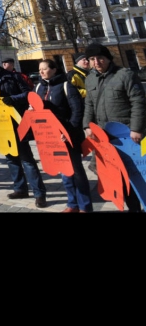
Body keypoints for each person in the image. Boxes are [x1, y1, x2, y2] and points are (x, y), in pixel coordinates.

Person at [83, 43, 146, 212]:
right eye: (92, 59)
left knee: (138, 175)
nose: (97, 62)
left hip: (129, 137)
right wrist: (86, 125)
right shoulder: (90, 78)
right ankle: (134, 208)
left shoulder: (125, 75)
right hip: (105, 139)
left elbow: (138, 102)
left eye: (100, 58)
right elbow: (88, 103)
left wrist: (137, 128)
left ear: (108, 59)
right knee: (119, 177)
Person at [0, 55, 47, 208]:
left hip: (17, 123)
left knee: (27, 160)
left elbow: (27, 93)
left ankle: (39, 193)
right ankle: (20, 188)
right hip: (0, 125)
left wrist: (13, 98)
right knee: (11, 158)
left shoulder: (13, 77)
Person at [34, 58, 92, 213]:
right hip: (51, 138)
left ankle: (85, 206)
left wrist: (69, 131)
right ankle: (72, 204)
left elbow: (77, 110)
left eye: (44, 69)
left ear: (54, 69)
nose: (41, 72)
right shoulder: (39, 87)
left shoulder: (66, 85)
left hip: (68, 136)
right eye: (40, 69)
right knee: (64, 171)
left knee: (77, 171)